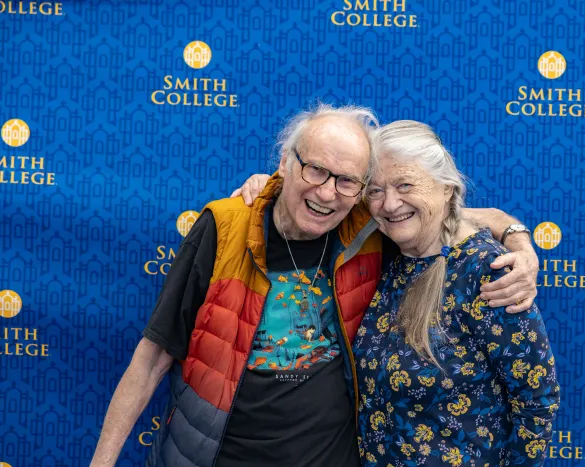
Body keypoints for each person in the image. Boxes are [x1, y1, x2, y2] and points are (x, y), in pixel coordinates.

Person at [91, 103, 538, 467]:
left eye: (346, 181)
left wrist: (516, 235)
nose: (327, 193)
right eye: (315, 170)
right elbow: (151, 360)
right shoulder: (224, 227)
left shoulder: (366, 226)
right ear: (285, 163)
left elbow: (435, 213)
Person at [354, 120, 559, 466]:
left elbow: (537, 399)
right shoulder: (384, 255)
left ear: (446, 188)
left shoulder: (487, 270)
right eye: (374, 190)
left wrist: (518, 240)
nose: (389, 204)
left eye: (405, 184)